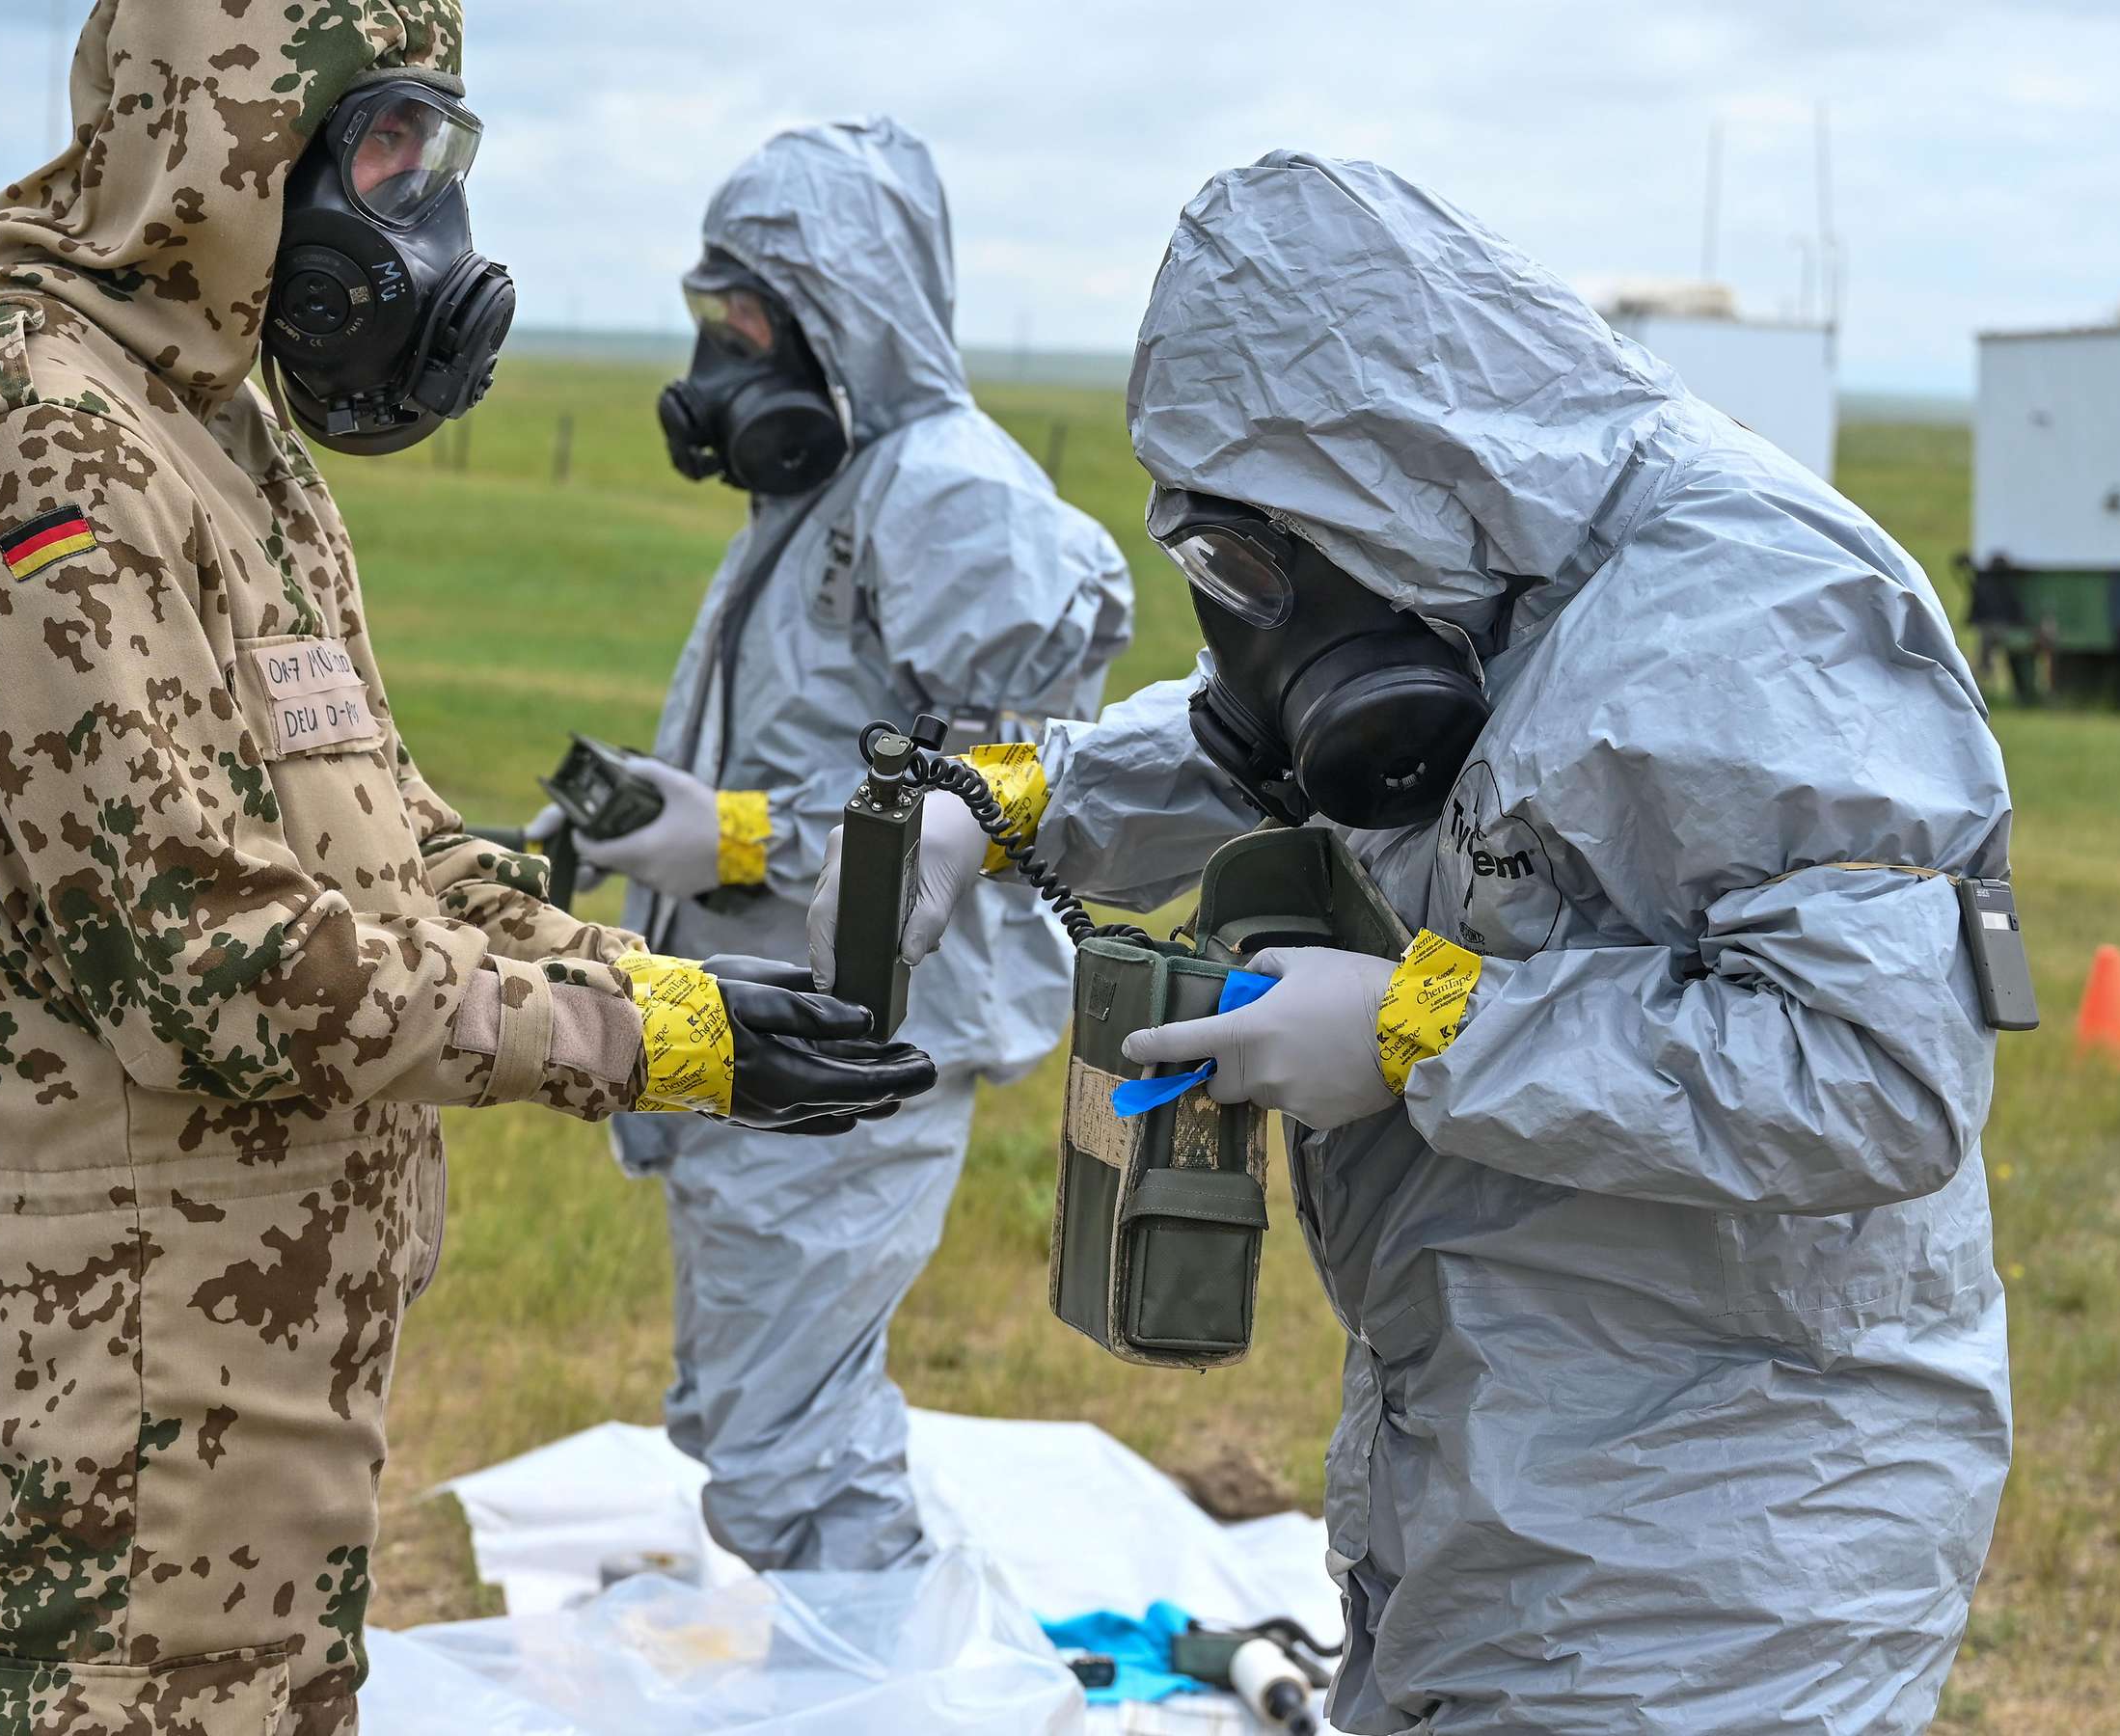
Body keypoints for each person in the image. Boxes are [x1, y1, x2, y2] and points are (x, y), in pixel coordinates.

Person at [0, 6, 935, 1731]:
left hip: (231, 1353)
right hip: (107, 1368)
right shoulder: (32, 440)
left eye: (439, 161)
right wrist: (634, 1044)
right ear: (234, 140)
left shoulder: (213, 430)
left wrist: (655, 982)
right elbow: (206, 952)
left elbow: (387, 841)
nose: (425, 226)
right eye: (388, 153)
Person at [817, 153, 2015, 1733]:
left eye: (1263, 551)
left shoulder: (1760, 613)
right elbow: (1248, 731)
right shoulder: (1458, 576)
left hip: (1732, 1516)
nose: (1251, 610)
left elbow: (1875, 1076)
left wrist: (1417, 1028)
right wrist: (1010, 807)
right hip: (1506, 1453)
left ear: (1387, 459)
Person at [543, 117, 1132, 1574]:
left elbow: (1008, 785)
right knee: (743, 1415)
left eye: (746, 318)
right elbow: (822, 738)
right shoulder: (826, 488)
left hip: (859, 1043)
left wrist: (737, 838)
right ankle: (848, 1658)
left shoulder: (946, 493)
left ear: (839, 316)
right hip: (755, 1020)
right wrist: (640, 811)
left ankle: (884, 1674)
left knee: (788, 1463)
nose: (720, 355)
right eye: (713, 317)